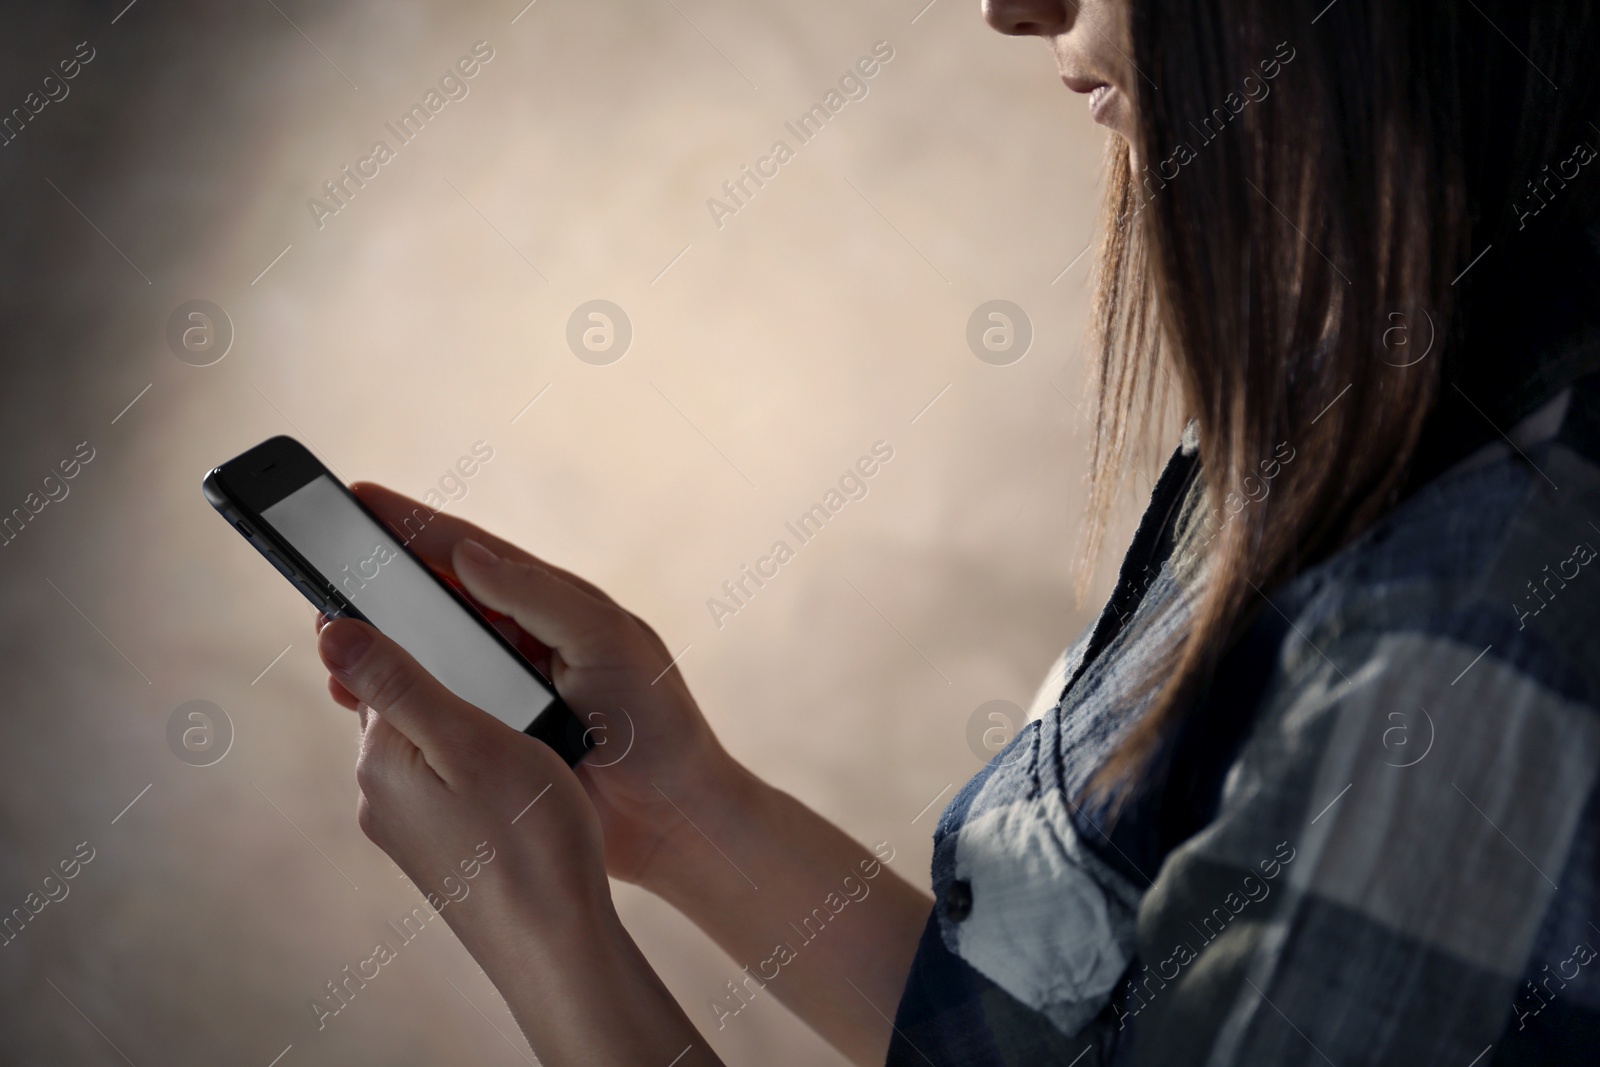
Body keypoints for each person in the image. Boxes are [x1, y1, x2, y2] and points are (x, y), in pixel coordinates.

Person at [310, 0, 1600, 1063]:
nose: (1009, 7)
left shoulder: (1473, 606)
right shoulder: (1352, 404)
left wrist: (547, 939)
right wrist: (684, 808)